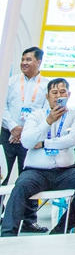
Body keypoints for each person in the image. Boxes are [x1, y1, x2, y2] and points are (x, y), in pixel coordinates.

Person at [0, 78, 75, 236]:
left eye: (62, 92)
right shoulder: (36, 116)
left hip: (65, 172)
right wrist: (48, 121)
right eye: (54, 93)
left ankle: (60, 230)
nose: (58, 95)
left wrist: (45, 143)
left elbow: (73, 138)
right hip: (36, 172)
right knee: (20, 186)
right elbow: (27, 141)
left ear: (69, 94)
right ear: (47, 96)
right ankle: (8, 234)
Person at [2, 47, 48, 231]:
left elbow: (44, 112)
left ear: (38, 62)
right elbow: (2, 106)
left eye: (29, 59)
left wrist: (25, 132)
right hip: (8, 135)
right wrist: (14, 127)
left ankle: (29, 220)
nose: (24, 63)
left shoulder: (46, 85)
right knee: (1, 176)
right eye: (23, 59)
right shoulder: (10, 82)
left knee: (29, 178)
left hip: (30, 138)